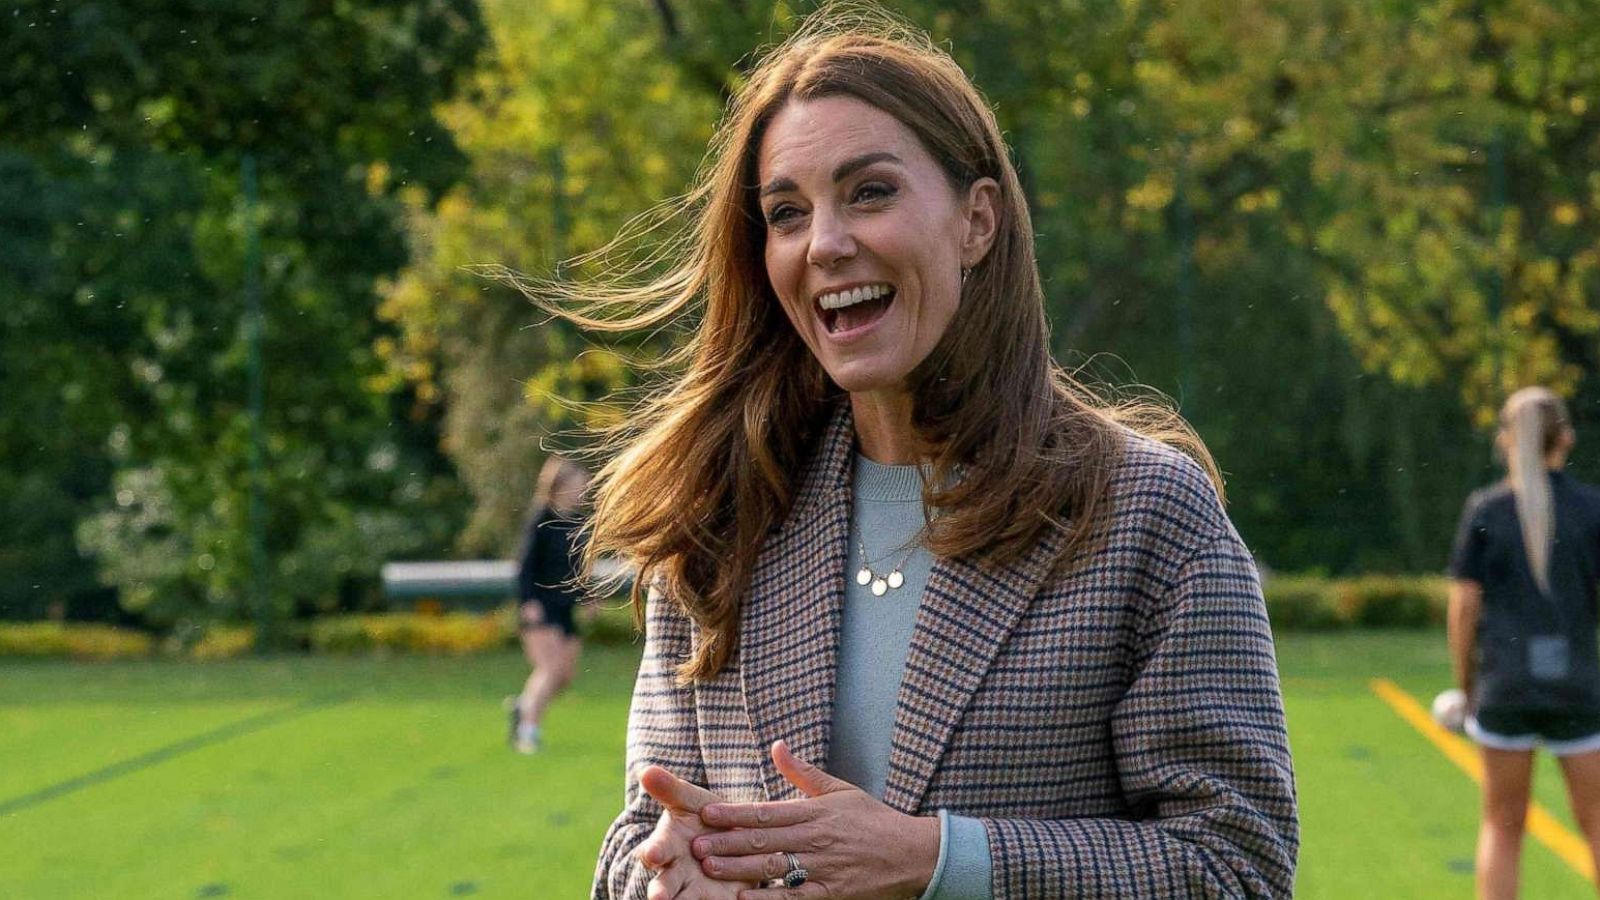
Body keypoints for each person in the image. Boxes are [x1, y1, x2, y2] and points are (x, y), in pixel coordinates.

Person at [554, 9, 1297, 898]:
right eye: (787, 213)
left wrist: (937, 862)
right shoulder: (724, 512)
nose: (825, 243)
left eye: (869, 192)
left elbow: (1236, 866)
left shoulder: (1145, 514)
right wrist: (668, 882)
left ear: (977, 221)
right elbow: (636, 840)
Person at [1448, 386, 1600, 900]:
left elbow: (1463, 609)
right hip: (1578, 687)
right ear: (1566, 440)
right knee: (1598, 823)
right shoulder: (1591, 508)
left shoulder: (1486, 509)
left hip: (1505, 686)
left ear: (1506, 441)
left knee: (1502, 825)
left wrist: (1468, 685)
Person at [508, 454, 591, 754]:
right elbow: (525, 566)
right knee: (550, 669)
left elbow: (578, 569)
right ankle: (528, 731)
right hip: (540, 606)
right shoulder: (541, 519)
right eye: (577, 482)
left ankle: (523, 705)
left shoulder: (578, 523)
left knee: (565, 675)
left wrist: (589, 597)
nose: (582, 487)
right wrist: (528, 602)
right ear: (559, 485)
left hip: (565, 607)